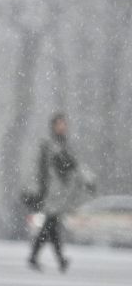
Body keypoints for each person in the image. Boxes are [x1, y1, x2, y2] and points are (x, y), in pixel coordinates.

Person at [27, 112, 94, 272]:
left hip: (60, 194)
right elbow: (43, 169)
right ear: (53, 126)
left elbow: (74, 166)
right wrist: (39, 189)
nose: (63, 127)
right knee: (51, 224)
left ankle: (42, 258)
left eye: (64, 124)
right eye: (59, 124)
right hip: (51, 193)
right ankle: (54, 259)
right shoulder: (50, 145)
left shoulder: (64, 145)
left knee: (51, 226)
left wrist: (86, 180)